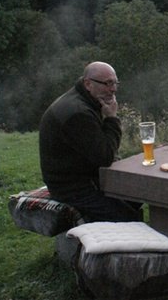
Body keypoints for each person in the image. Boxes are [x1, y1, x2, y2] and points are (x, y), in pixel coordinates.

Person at [39, 61, 142, 222]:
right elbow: (105, 156)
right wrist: (111, 119)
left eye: (115, 83)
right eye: (108, 83)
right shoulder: (78, 113)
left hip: (86, 176)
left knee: (140, 192)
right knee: (128, 219)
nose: (113, 89)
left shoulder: (86, 100)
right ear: (88, 84)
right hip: (72, 187)